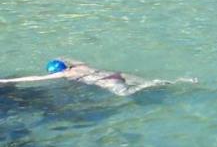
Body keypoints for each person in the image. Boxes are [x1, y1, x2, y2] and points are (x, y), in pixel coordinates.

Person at [0, 58, 193, 97]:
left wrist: (6, 81)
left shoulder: (63, 74)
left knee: (126, 94)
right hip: (115, 73)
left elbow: (34, 79)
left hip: (106, 81)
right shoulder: (79, 65)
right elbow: (66, 58)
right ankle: (174, 81)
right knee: (140, 82)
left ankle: (157, 84)